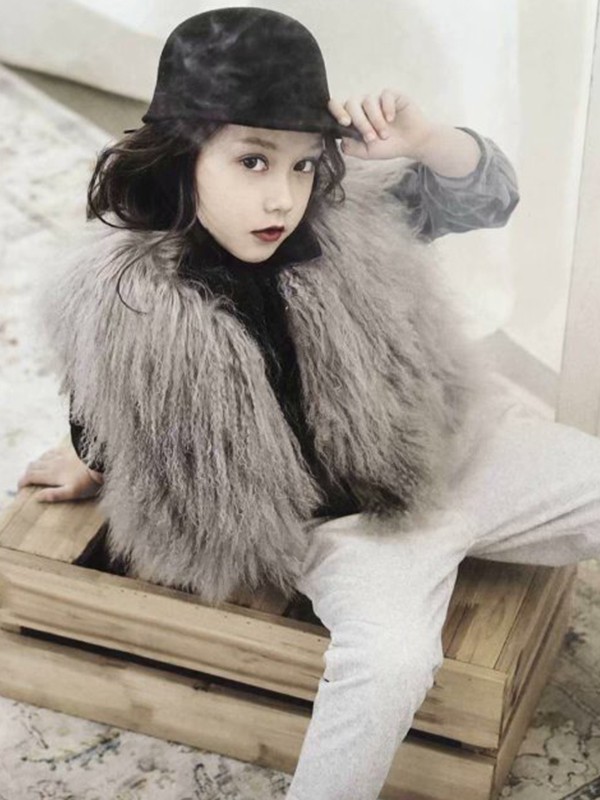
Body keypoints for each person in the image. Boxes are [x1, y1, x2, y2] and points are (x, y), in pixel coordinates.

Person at [16, 8, 600, 800]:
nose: (282, 198)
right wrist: (89, 460)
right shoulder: (127, 297)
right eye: (252, 161)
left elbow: (487, 197)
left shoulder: (349, 212)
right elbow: (107, 404)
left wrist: (427, 140)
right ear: (184, 154)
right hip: (350, 531)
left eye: (301, 165)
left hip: (459, 452)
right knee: (390, 662)